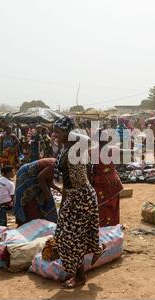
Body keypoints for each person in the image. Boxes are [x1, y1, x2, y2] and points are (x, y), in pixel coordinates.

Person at [53, 117, 105, 289]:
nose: (55, 135)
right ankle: (95, 251)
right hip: (73, 195)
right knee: (65, 235)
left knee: (72, 237)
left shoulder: (77, 146)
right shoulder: (65, 148)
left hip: (81, 196)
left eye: (58, 131)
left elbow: (89, 140)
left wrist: (72, 133)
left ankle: (80, 276)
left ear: (68, 132)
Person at [91, 129, 124, 227]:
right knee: (113, 206)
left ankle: (103, 228)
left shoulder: (91, 151)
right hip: (113, 180)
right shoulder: (114, 149)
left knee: (101, 206)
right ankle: (113, 227)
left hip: (99, 182)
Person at [14, 158, 59, 226]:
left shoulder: (56, 166)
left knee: (43, 199)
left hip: (35, 177)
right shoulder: (54, 165)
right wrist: (47, 193)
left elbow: (49, 182)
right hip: (27, 175)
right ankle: (25, 223)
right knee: (28, 200)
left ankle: (39, 222)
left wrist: (59, 190)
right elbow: (40, 177)